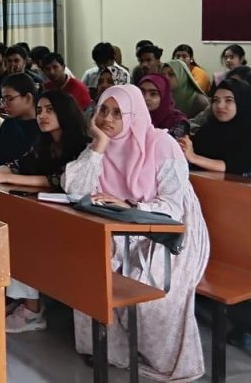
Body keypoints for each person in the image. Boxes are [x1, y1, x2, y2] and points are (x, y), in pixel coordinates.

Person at [64, 85, 209, 382]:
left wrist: (130, 203)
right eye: (103, 110)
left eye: (118, 113)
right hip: (121, 226)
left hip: (170, 230)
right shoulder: (100, 145)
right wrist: (101, 143)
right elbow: (75, 189)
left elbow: (173, 204)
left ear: (134, 114)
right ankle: (110, 349)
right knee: (89, 263)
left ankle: (162, 358)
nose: (108, 118)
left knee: (150, 280)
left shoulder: (160, 144)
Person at [0, 90, 90, 332]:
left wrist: (4, 179)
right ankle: (24, 302)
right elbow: (21, 165)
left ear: (65, 113)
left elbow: (58, 180)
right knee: (13, 226)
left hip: (77, 219)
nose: (42, 116)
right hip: (48, 213)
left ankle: (32, 310)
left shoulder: (83, 145)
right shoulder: (44, 142)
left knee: (25, 233)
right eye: (39, 111)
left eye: (49, 110)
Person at [180, 79, 251, 177]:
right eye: (216, 100)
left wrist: (194, 157)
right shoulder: (209, 130)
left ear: (242, 103)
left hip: (244, 190)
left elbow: (232, 167)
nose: (220, 105)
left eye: (228, 100)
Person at [0, 74, 40, 167]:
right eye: (3, 100)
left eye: (9, 98)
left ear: (28, 98)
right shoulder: (8, 124)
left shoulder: (43, 125)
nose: (4, 105)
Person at [190, 65, 251, 130]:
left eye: (237, 84)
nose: (231, 87)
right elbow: (193, 123)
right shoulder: (218, 105)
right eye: (229, 82)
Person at [138, 73, 190, 140]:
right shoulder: (132, 117)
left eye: (153, 94)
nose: (146, 98)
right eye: (142, 92)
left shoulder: (178, 123)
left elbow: (170, 147)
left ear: (164, 97)